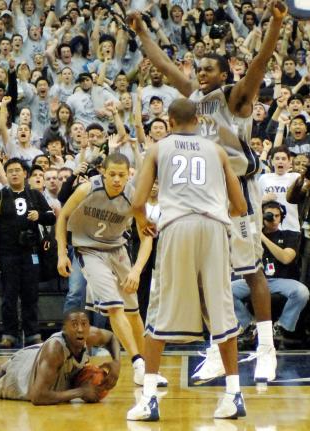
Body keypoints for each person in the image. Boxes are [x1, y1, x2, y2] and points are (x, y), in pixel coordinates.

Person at [128, 0, 288, 384]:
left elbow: (259, 65)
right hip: (207, 193)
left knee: (250, 272)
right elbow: (166, 66)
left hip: (240, 190)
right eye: (198, 68)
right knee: (209, 275)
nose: (201, 73)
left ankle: (266, 349)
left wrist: (276, 24)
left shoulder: (235, 97)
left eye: (208, 69)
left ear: (224, 73)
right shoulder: (193, 97)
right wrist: (142, 32)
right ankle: (218, 348)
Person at [127, 99, 248, 421]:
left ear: (169, 121)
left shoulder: (158, 148)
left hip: (178, 226)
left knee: (159, 310)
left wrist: (141, 221)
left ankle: (149, 399)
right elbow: (240, 206)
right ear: (198, 120)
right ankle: (234, 395)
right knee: (222, 311)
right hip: (215, 228)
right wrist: (215, 210)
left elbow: (137, 202)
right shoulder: (217, 150)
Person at [56, 153, 167, 387]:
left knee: (133, 312)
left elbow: (147, 237)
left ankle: (149, 369)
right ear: (103, 173)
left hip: (118, 249)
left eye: (122, 175)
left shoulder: (134, 198)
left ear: (128, 176)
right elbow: (63, 216)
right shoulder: (86, 189)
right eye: (112, 174)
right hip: (89, 250)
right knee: (114, 306)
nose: (117, 179)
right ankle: (138, 364)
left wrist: (136, 270)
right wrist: (62, 253)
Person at [0, 157, 56, 348]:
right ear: (6, 175)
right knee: (9, 295)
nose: (14, 174)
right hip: (6, 253)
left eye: (17, 170)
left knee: (30, 294)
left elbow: (51, 218)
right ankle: (9, 334)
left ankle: (32, 333)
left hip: (31, 252)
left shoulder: (35, 195)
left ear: (25, 174)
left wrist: (39, 216)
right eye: (10, 171)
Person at [232, 201, 309, 342]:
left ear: (282, 217)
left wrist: (263, 238)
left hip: (282, 281)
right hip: (256, 280)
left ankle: (282, 326)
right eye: (269, 215)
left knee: (302, 292)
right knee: (227, 291)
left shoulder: (290, 235)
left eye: (277, 216)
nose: (274, 219)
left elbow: (286, 258)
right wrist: (255, 233)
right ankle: (249, 326)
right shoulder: (251, 237)